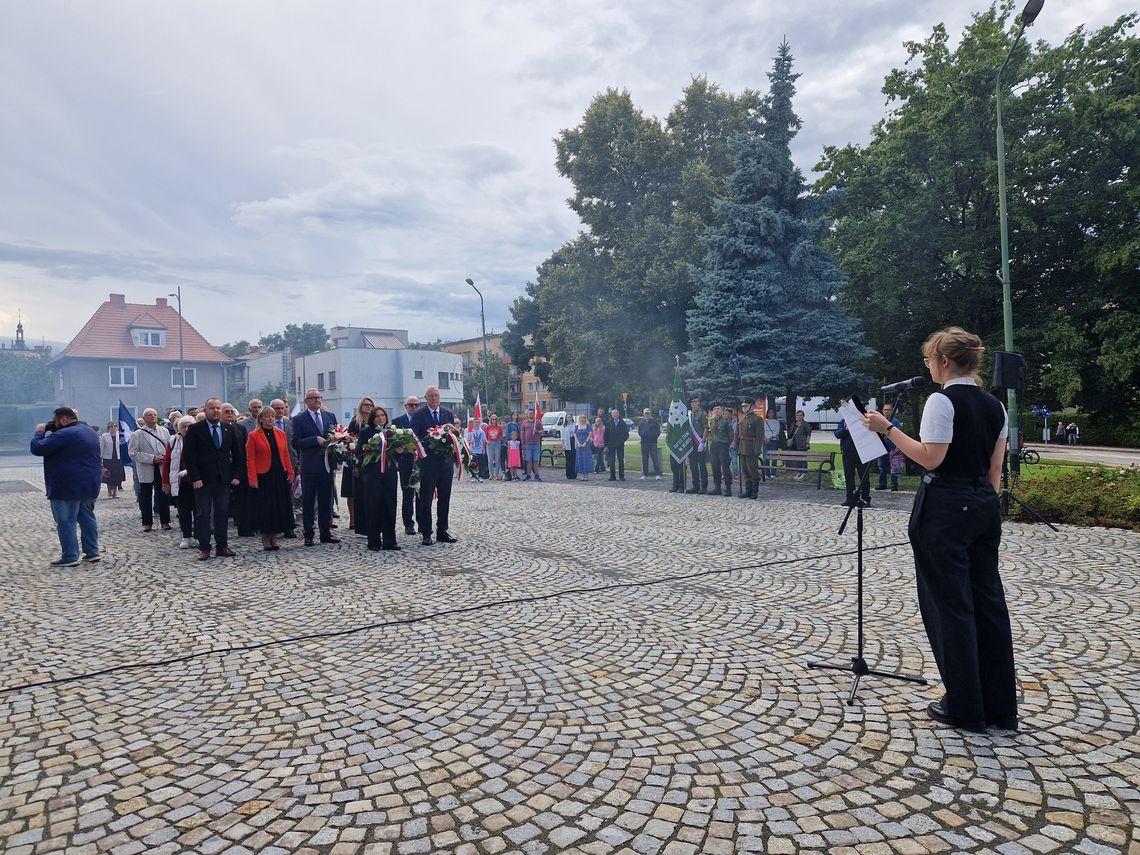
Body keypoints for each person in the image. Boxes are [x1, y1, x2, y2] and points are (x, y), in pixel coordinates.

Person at [863, 326, 1016, 733]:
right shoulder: (994, 405)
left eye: (930, 360)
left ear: (944, 361)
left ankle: (964, 706)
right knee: (988, 603)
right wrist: (981, 504)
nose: (929, 367)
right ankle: (1001, 706)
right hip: (983, 505)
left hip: (946, 508)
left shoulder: (941, 400)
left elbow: (930, 458)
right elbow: (995, 469)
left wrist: (888, 429)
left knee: (951, 606)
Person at [31, 407, 102, 567]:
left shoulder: (65, 434)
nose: (53, 424)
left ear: (63, 420)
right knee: (87, 518)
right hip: (89, 484)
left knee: (66, 521)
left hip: (66, 486)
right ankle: (92, 552)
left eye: (54, 421)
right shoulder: (89, 431)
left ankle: (70, 556)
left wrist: (39, 432)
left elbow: (38, 448)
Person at [182, 398, 245, 560]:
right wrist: (195, 477)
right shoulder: (195, 429)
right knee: (203, 514)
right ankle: (204, 547)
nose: (216, 411)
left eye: (218, 408)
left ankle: (222, 546)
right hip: (202, 480)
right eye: (212, 408)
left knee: (222, 513)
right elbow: (189, 456)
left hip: (223, 479)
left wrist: (237, 475)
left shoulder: (228, 429)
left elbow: (238, 454)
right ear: (206, 410)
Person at [410, 385, 459, 545]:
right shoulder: (419, 415)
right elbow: (414, 437)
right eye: (430, 396)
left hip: (445, 463)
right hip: (428, 463)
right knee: (426, 498)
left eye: (436, 395)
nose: (434, 398)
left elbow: (453, 437)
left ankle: (442, 530)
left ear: (440, 397)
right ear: (426, 398)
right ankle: (426, 532)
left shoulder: (447, 413)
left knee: (445, 497)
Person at [291, 389, 340, 546]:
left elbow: (338, 436)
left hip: (326, 465)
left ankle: (325, 533)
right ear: (306, 401)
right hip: (310, 467)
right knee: (309, 503)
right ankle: (309, 534)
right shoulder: (299, 419)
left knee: (326, 502)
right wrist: (314, 440)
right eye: (313, 398)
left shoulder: (329, 416)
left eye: (319, 397)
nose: (317, 400)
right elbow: (295, 442)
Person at [245, 407, 294, 551]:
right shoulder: (253, 435)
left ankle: (274, 535)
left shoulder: (280, 433)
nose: (271, 419)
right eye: (267, 416)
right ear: (260, 419)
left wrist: (290, 472)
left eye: (272, 416)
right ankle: (265, 536)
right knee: (265, 507)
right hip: (263, 475)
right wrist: (252, 478)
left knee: (277, 506)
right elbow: (250, 458)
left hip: (278, 473)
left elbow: (285, 454)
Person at [358, 405, 402, 551]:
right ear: (372, 418)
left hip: (389, 474)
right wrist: (371, 453)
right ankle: (374, 541)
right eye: (377, 416)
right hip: (372, 475)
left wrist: (399, 451)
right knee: (373, 506)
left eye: (383, 415)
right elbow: (359, 454)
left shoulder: (392, 432)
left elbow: (397, 454)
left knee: (390, 505)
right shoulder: (365, 432)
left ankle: (390, 541)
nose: (380, 418)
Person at [127, 408, 172, 532]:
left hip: (162, 467)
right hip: (147, 467)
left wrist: (164, 457)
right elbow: (133, 453)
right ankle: (147, 522)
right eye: (149, 415)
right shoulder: (137, 434)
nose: (153, 417)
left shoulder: (164, 431)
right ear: (144, 418)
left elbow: (169, 448)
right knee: (146, 496)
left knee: (163, 494)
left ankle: (165, 521)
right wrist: (152, 458)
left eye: (155, 415)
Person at [162, 415, 197, 549]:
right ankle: (186, 536)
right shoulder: (173, 441)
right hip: (180, 482)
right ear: (179, 428)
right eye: (184, 426)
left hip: (197, 481)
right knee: (184, 511)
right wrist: (165, 482)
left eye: (190, 426)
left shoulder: (200, 440)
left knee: (199, 511)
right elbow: (167, 463)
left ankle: (198, 536)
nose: (187, 429)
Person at [222, 402, 255, 538]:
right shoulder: (217, 428)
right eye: (227, 411)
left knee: (243, 501)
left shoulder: (240, 428)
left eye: (232, 411)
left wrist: (240, 472)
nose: (230, 414)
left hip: (239, 469)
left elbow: (243, 451)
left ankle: (244, 527)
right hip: (222, 470)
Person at [343, 397, 374, 531]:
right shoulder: (355, 422)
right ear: (361, 407)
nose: (368, 407)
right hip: (355, 460)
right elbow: (349, 440)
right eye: (366, 405)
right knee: (352, 492)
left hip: (370, 461)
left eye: (370, 405)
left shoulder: (375, 422)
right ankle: (353, 519)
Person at [269, 398, 299, 538]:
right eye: (277, 408)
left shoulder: (289, 423)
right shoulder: (266, 424)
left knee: (288, 497)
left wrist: (296, 463)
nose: (280, 411)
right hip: (272, 467)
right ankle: (274, 526)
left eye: (282, 408)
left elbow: (293, 445)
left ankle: (288, 527)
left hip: (289, 464)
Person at [393, 396, 420, 535]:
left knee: (422, 495)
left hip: (422, 462)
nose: (414, 407)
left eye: (416, 404)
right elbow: (392, 442)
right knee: (408, 495)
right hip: (405, 463)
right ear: (406, 406)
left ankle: (423, 523)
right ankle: (408, 524)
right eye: (411, 405)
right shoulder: (397, 422)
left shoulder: (423, 420)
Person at [834, 417, 871, 507]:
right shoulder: (844, 421)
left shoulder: (863, 420)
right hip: (847, 453)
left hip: (862, 453)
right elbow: (837, 434)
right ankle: (850, 498)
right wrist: (846, 429)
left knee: (864, 477)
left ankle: (865, 499)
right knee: (849, 477)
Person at [706, 403, 733, 496]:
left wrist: (727, 444)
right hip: (714, 446)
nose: (716, 411)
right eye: (715, 409)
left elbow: (731, 434)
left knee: (725, 468)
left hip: (723, 446)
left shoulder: (726, 421)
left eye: (718, 409)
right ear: (713, 411)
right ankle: (717, 488)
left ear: (721, 410)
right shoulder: (712, 421)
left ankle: (728, 488)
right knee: (715, 467)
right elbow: (711, 434)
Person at [736, 397, 761, 499]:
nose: (744, 408)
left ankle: (754, 492)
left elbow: (759, 437)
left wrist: (757, 450)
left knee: (753, 471)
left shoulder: (757, 419)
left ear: (751, 406)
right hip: (742, 447)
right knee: (745, 471)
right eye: (743, 406)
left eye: (746, 406)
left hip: (751, 447)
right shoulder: (743, 418)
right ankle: (748, 491)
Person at [875, 404, 902, 491]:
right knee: (881, 466)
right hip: (881, 446)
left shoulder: (896, 422)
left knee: (894, 466)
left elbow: (899, 435)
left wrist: (898, 446)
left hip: (892, 446)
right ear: (882, 411)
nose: (886, 411)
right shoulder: (879, 421)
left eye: (888, 410)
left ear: (892, 411)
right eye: (885, 410)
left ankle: (894, 485)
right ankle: (882, 484)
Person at [686, 397, 708, 493]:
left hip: (699, 441)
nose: (694, 403)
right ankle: (696, 486)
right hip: (691, 442)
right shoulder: (689, 414)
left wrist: (703, 442)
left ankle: (704, 487)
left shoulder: (702, 413)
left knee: (702, 465)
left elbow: (706, 428)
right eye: (692, 402)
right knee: (693, 465)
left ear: (698, 403)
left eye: (695, 402)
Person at [99, 420, 125, 498]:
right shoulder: (104, 436)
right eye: (111, 426)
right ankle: (109, 492)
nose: (113, 428)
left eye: (115, 426)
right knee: (108, 474)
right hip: (108, 458)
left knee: (116, 475)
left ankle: (115, 492)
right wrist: (101, 458)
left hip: (117, 458)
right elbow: (102, 447)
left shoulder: (119, 435)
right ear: (108, 428)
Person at [786, 409, 812, 482]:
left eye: (801, 415)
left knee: (803, 459)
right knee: (797, 459)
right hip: (794, 444)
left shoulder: (805, 424)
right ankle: (799, 472)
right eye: (798, 415)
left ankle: (804, 473)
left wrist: (807, 442)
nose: (799, 416)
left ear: (803, 416)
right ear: (796, 416)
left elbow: (808, 434)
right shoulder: (793, 424)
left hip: (802, 444)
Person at [604, 408, 629, 481]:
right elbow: (605, 435)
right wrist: (606, 445)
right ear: (611, 415)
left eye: (616, 413)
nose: (615, 415)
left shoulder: (622, 423)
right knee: (611, 461)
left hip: (620, 445)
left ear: (618, 414)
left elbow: (626, 434)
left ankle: (621, 476)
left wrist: (622, 441)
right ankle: (612, 476)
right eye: (613, 413)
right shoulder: (608, 423)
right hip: (611, 445)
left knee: (620, 460)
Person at [637, 409, 662, 480]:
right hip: (644, 443)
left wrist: (654, 437)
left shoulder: (654, 422)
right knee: (645, 459)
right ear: (643, 414)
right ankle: (645, 474)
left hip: (653, 443)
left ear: (650, 414)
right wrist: (642, 435)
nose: (647, 415)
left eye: (648, 413)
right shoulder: (641, 422)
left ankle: (657, 474)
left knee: (655, 458)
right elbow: (639, 431)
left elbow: (658, 431)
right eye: (646, 413)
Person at [520, 408, 543, 481]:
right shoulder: (524, 423)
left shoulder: (538, 422)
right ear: (527, 414)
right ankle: (528, 475)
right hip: (527, 444)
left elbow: (542, 431)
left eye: (531, 413)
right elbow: (522, 433)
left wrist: (537, 431)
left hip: (536, 444)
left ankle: (536, 475)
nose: (530, 414)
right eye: (529, 413)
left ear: (534, 414)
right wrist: (523, 443)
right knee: (528, 461)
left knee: (535, 460)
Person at [762, 407, 783, 479]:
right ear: (767, 413)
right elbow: (762, 431)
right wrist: (765, 438)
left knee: (774, 457)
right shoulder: (764, 422)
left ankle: (773, 473)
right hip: (765, 440)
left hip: (774, 441)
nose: (771, 414)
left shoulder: (776, 422)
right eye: (769, 413)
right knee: (766, 457)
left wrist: (770, 438)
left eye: (772, 413)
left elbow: (777, 431)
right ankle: (766, 473)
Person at [573, 415, 594, 480]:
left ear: (585, 419)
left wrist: (585, 442)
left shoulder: (588, 426)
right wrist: (578, 443)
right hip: (579, 445)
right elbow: (575, 435)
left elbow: (590, 434)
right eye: (581, 418)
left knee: (586, 459)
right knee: (580, 459)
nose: (582, 420)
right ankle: (581, 475)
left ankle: (586, 475)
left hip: (586, 445)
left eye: (583, 418)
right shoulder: (577, 427)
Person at [485, 414, 504, 481]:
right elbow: (486, 436)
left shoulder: (499, 427)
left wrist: (498, 440)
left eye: (495, 419)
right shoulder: (488, 427)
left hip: (497, 444)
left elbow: (501, 436)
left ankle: (496, 475)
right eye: (493, 419)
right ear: (491, 420)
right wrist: (487, 442)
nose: (494, 420)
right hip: (490, 444)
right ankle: (491, 475)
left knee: (497, 460)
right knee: (490, 460)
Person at [503, 411, 520, 480]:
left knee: (516, 461)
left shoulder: (518, 424)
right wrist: (508, 442)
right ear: (511, 416)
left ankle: (515, 475)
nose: (515, 416)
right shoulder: (509, 424)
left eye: (516, 415)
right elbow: (507, 433)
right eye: (514, 415)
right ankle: (510, 474)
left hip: (517, 443)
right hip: (511, 443)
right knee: (511, 460)